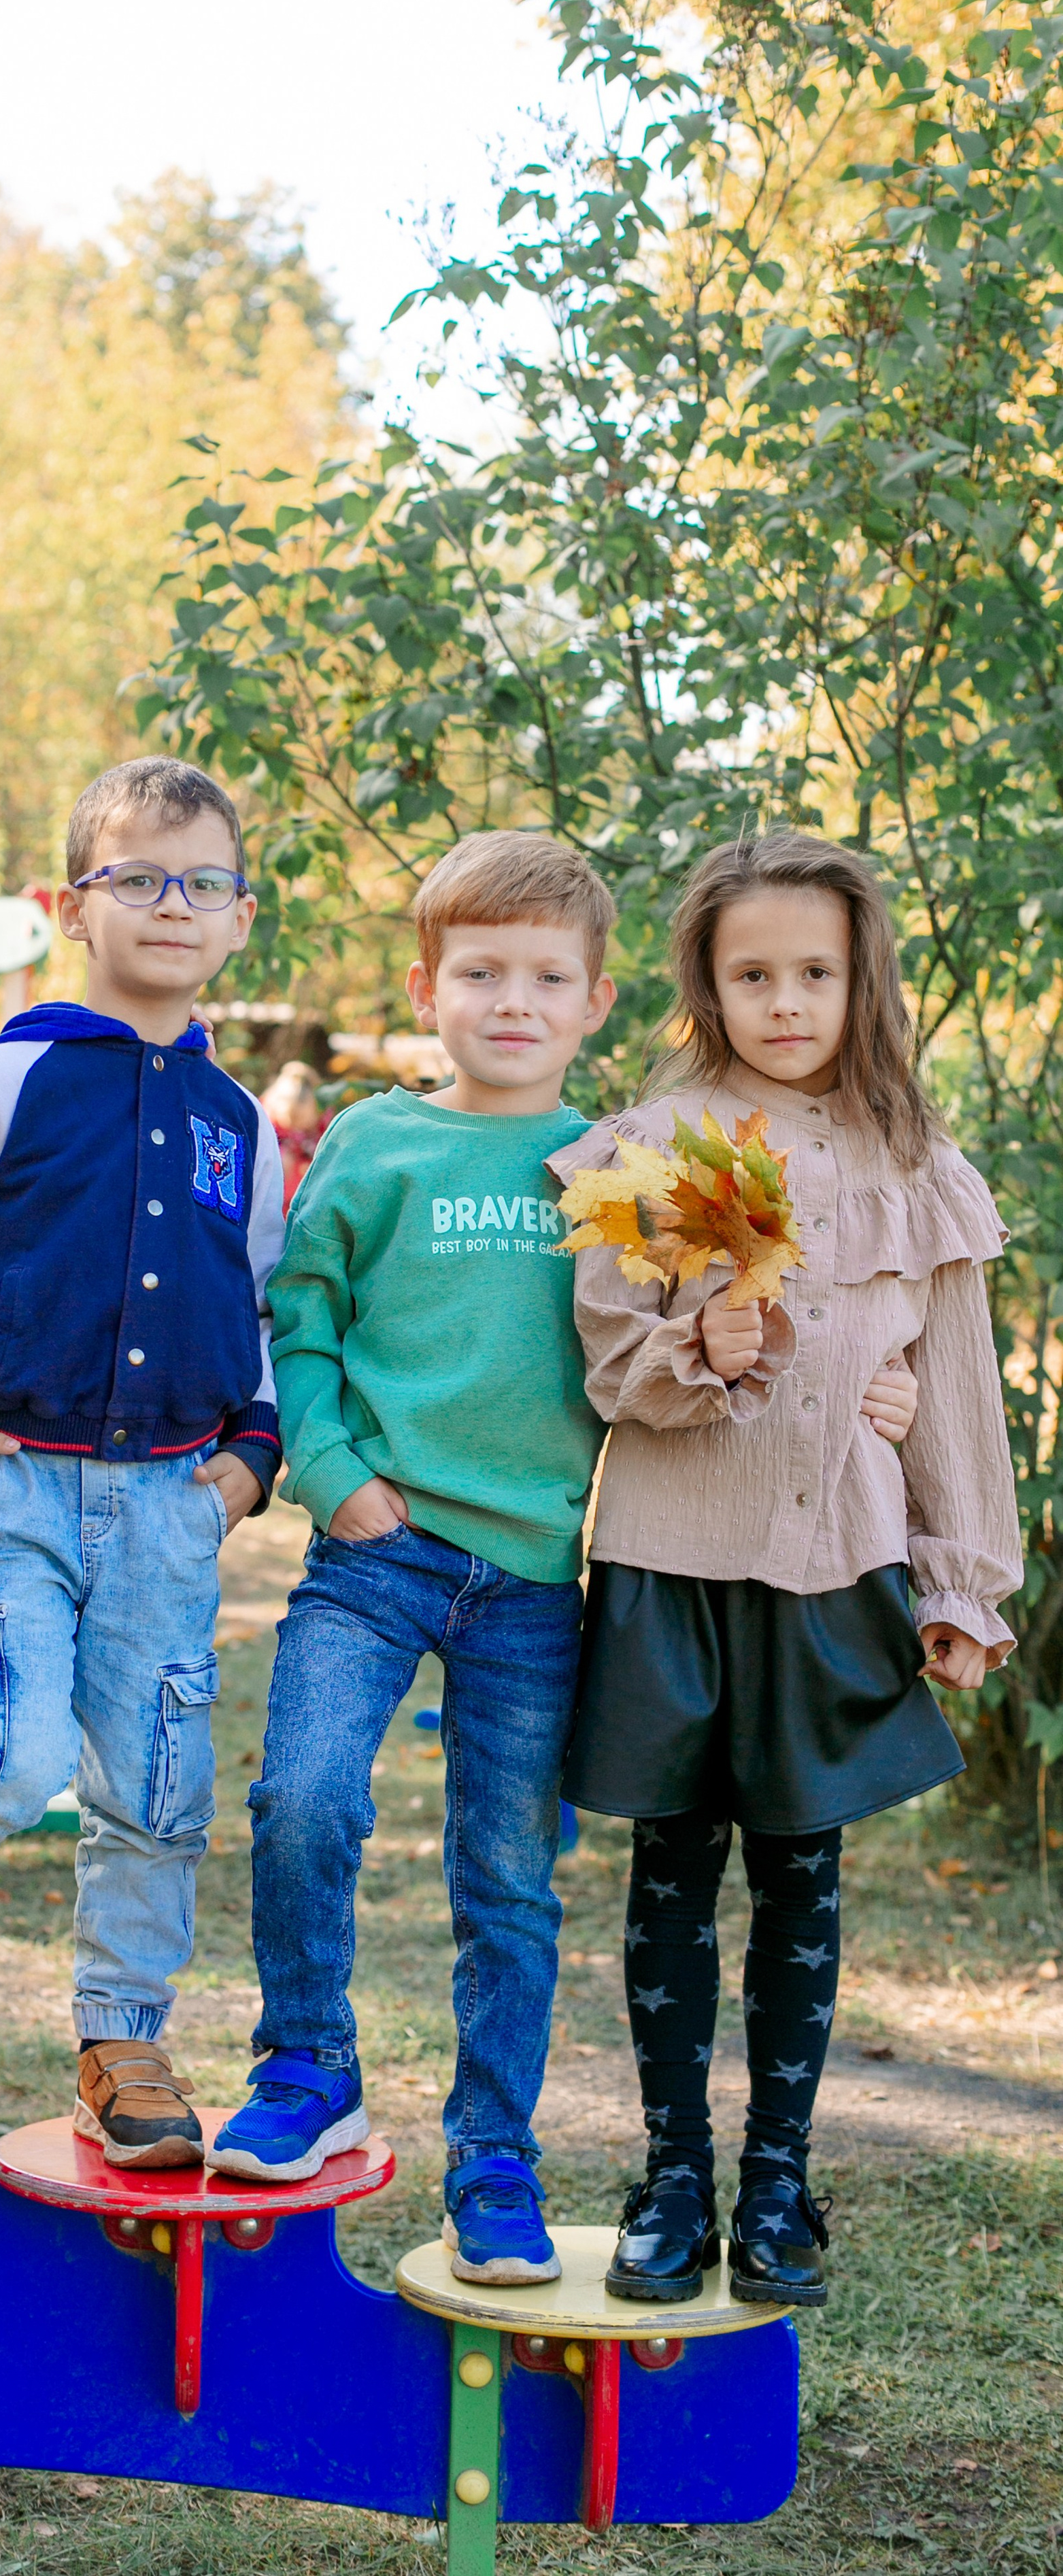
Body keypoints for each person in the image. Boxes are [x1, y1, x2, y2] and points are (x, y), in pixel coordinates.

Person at [210, 829, 920, 2292]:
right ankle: (303, 2067)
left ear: (596, 1000)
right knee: (302, 1799)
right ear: (428, 986)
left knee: (506, 1876)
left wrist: (857, 1387)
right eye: (479, 973)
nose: (510, 1002)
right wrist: (331, 1474)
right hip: (376, 1550)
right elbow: (304, 1313)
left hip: (540, 1577)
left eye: (544, 977)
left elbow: (683, 1342)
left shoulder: (610, 1164)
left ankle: (493, 2159)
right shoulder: (375, 1142)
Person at [550, 825, 1019, 2311]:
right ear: (706, 980)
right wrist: (699, 1347)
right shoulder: (656, 1144)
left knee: (800, 1882)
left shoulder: (913, 1167)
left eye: (812, 971)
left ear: (854, 978)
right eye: (751, 973)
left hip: (835, 1568)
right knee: (670, 1873)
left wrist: (958, 1583)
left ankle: (777, 2181)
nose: (784, 1001)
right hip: (670, 1560)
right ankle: (672, 2171)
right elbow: (608, 1359)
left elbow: (950, 1390)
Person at [0, 757, 284, 2165]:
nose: (170, 904)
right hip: (10, 1485)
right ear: (67, 904)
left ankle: (121, 2039)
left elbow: (254, 1300)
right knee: (3, 1748)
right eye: (136, 877)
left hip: (169, 1504)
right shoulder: (5, 1077)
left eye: (201, 883)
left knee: (155, 1781)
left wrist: (253, 1455)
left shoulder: (241, 1123)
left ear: (240, 918)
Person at [260, 1059, 328, 1207]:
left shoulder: (323, 1120)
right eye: (290, 1120)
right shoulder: (264, 1115)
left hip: (304, 1196)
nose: (296, 1127)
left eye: (301, 1121)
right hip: (273, 1193)